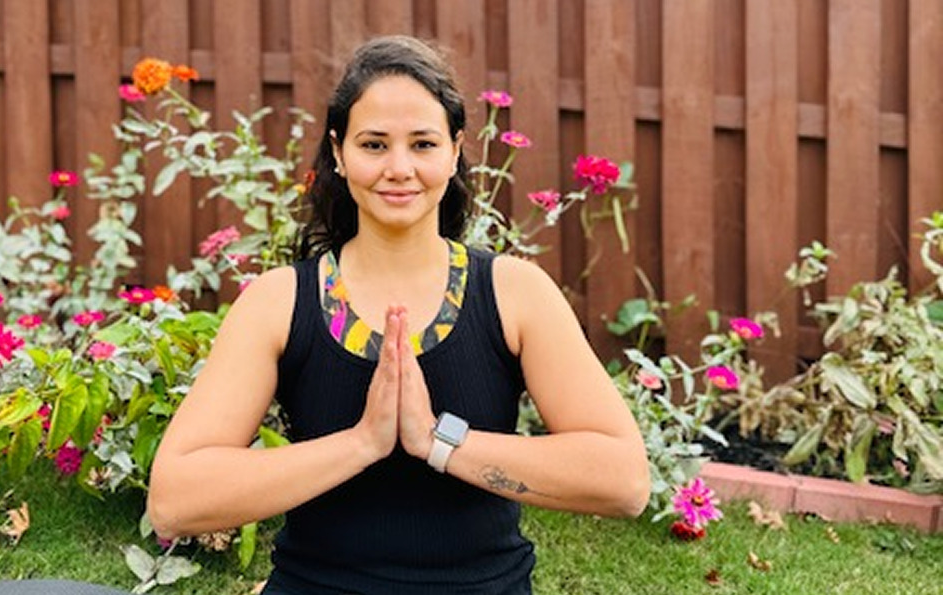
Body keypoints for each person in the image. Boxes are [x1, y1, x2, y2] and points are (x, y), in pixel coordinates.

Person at [147, 35, 650, 594]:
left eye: (423, 144)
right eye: (374, 144)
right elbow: (174, 500)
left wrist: (438, 441)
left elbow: (623, 480)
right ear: (338, 153)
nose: (400, 168)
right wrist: (361, 443)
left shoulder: (514, 294)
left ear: (456, 151)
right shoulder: (280, 301)